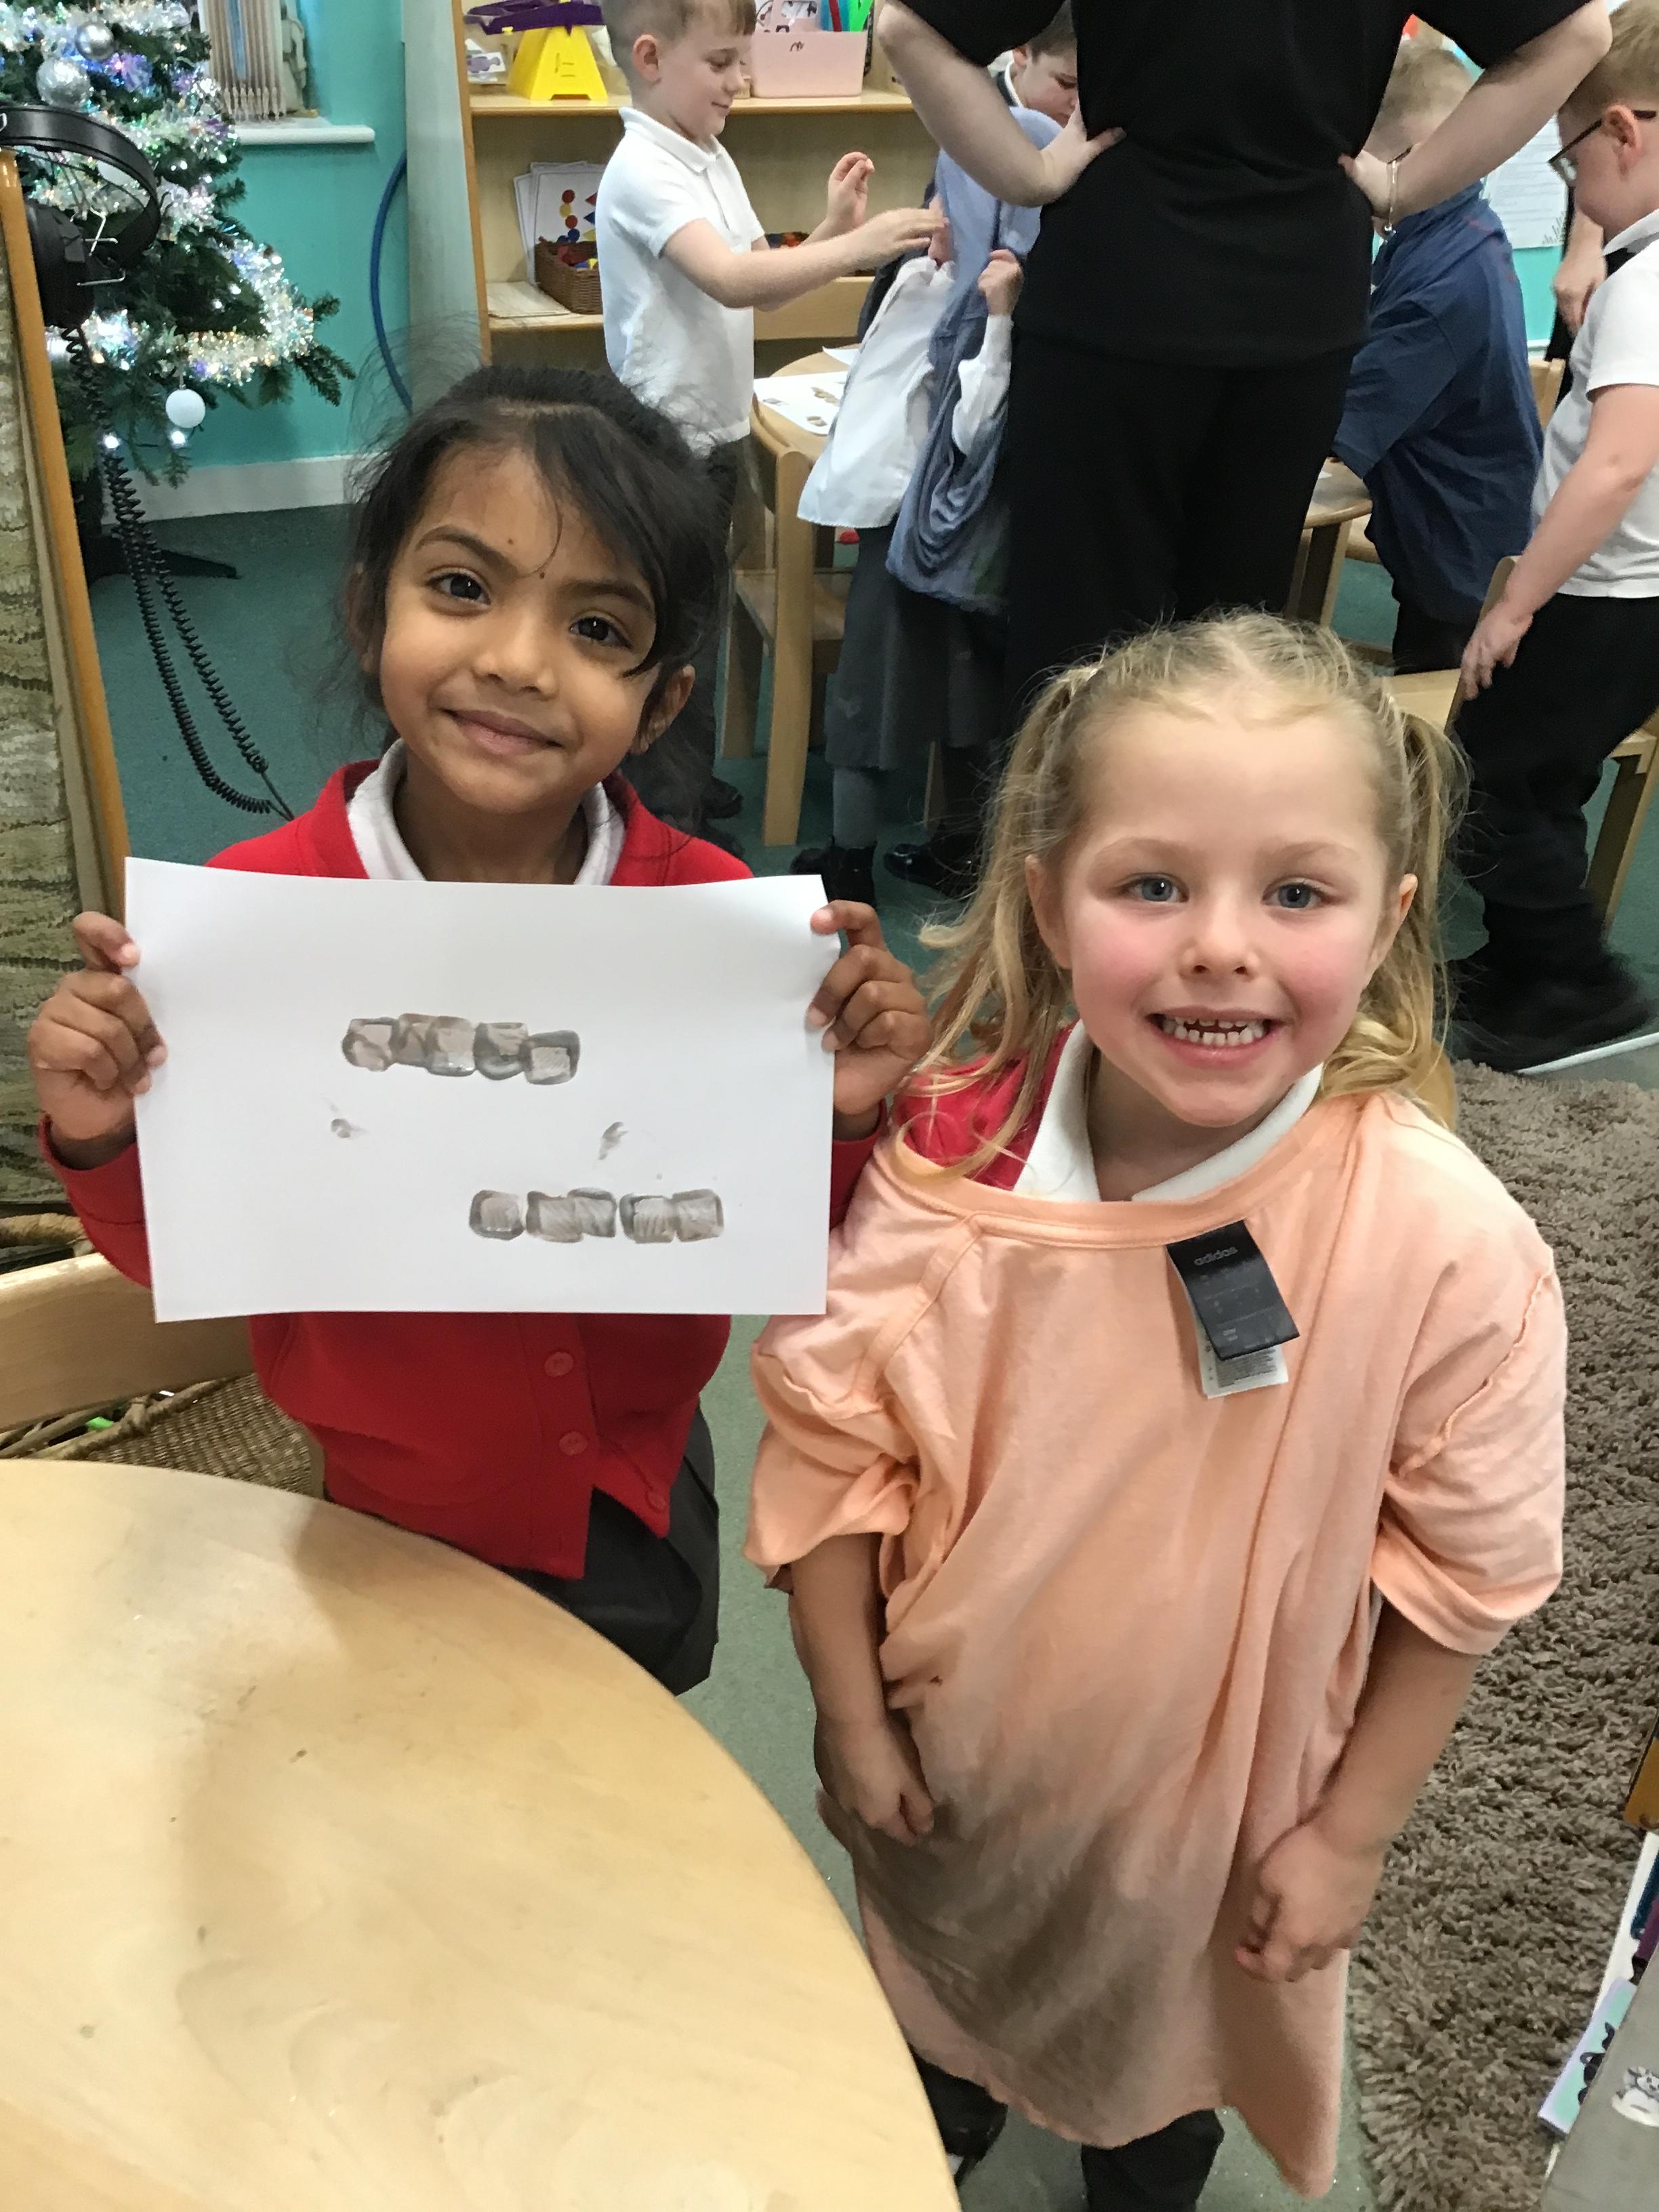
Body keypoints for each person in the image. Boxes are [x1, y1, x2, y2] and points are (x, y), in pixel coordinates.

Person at [745, 616, 1565, 2205]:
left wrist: (1350, 1837)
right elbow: (834, 1445)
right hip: (947, 1786)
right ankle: (943, 2109)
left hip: (1213, 1846)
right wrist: (847, 1716)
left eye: (1296, 894)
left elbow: (1460, 1582)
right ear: (1049, 900)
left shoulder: (1447, 1248)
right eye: (1152, 885)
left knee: (1155, 2084)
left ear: (1389, 918)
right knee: (930, 2018)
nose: (1220, 947)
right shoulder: (948, 1161)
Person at [27, 365, 931, 1699]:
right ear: (367, 607)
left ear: (662, 702)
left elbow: (782, 1227)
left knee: (618, 1750)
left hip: (629, 1484)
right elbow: (191, 1245)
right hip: (383, 1505)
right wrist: (106, 1129)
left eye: (598, 626)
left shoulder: (710, 924)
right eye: (461, 586)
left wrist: (842, 1109)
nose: (515, 659)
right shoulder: (253, 928)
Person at [876, 0, 1614, 723]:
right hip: (1294, 308)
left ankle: (1074, 805)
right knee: (1228, 651)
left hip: (1119, 289)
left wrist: (1027, 176)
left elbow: (910, 27)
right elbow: (1575, 35)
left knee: (1079, 645)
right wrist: (1405, 187)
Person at [595, 0, 937, 840]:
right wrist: (860, 248)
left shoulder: (706, 154)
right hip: (664, 443)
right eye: (721, 63)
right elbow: (727, 279)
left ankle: (682, 777)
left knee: (700, 620)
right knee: (669, 629)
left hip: (713, 433)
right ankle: (662, 813)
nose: (739, 82)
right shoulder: (643, 168)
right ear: (651, 59)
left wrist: (831, 229)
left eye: (740, 62)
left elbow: (760, 281)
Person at [1457, 0, 1659, 1070]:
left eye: (1569, 155)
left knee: (1482, 780)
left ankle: (1580, 984)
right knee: (1546, 778)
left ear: (1622, 132)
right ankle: (1522, 964)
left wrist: (1517, 604)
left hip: (1604, 591)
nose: (1574, 184)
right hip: (1631, 591)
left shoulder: (1649, 287)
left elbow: (1615, 462)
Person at [790, 121, 1054, 909]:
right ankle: (914, 846)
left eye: (954, 208)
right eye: (937, 196)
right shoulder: (913, 273)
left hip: (926, 526)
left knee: (902, 694)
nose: (935, 216)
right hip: (888, 512)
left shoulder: (993, 309)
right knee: (904, 688)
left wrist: (999, 322)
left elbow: (976, 433)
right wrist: (846, 229)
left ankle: (872, 856)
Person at [1333, 37, 1543, 675]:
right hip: (1460, 534)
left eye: (1371, 170)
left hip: (1460, 561)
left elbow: (1338, 430)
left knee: (1436, 708)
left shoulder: (1440, 293)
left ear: (1417, 157)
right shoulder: (1464, 231)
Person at [995, 4, 1078, 124]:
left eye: (1097, 89)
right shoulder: (974, 123)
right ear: (1022, 51)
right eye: (1067, 83)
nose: (1079, 106)